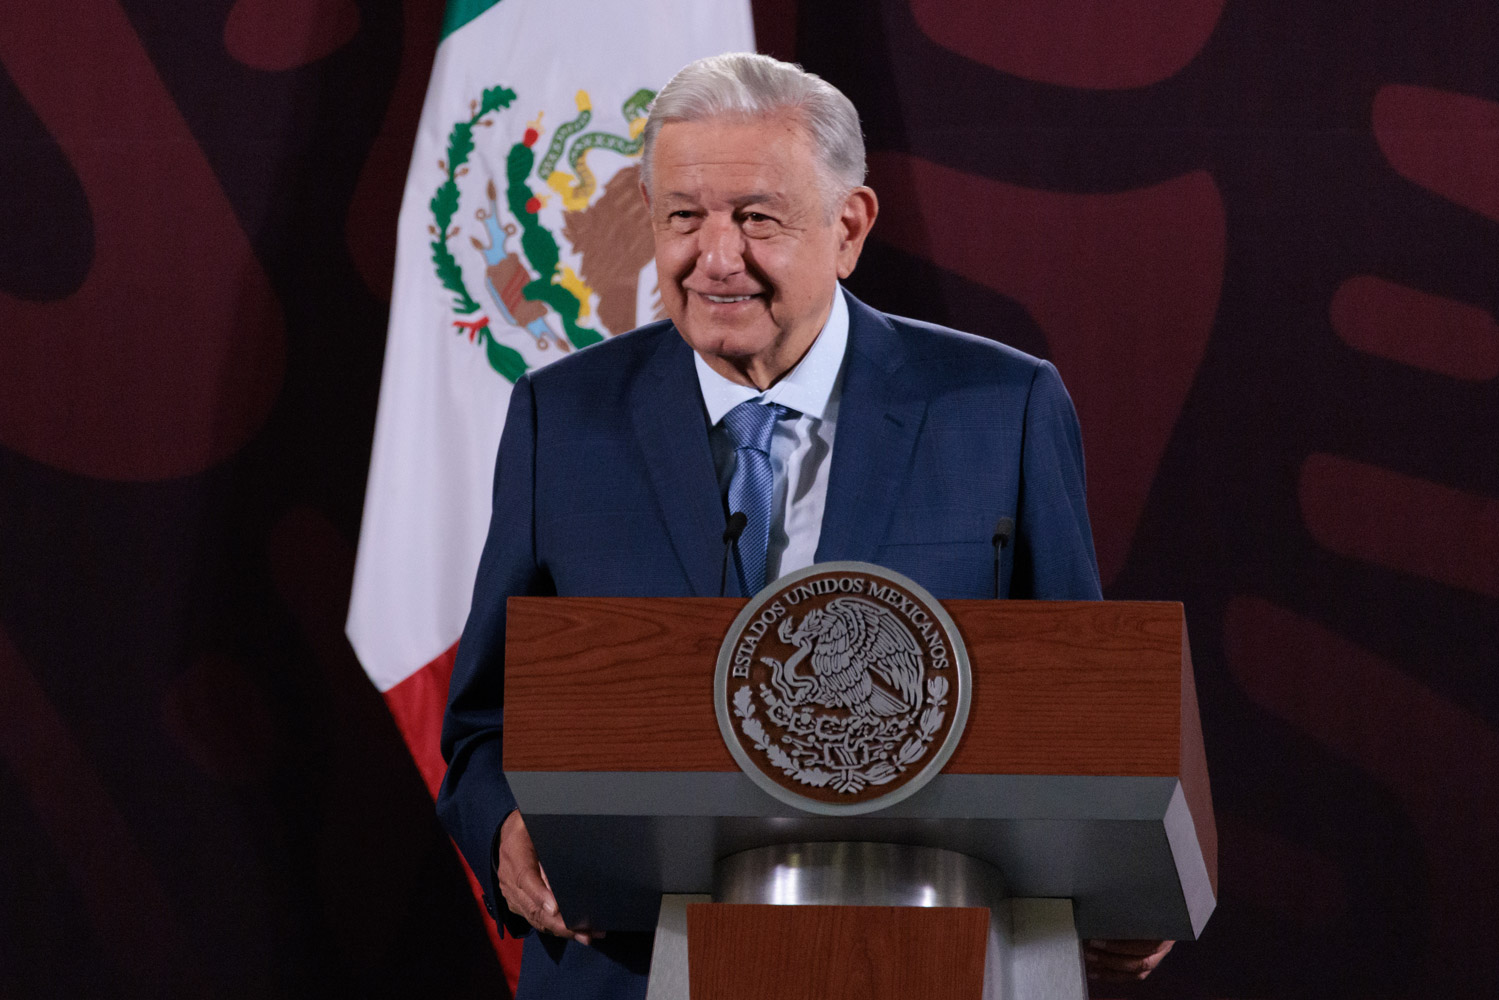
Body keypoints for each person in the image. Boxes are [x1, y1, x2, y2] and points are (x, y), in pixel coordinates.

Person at [437, 52, 1170, 998]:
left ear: (848, 227)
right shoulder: (563, 419)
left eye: (755, 219)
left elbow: (1084, 716)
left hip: (929, 964)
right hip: (629, 967)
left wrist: (1115, 885)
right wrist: (506, 826)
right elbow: (483, 723)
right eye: (682, 218)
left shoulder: (999, 408)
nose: (715, 258)